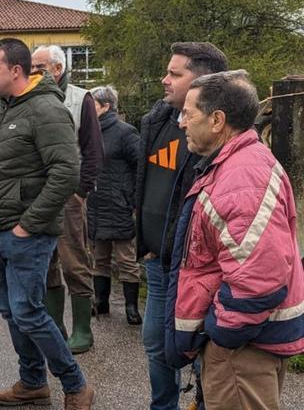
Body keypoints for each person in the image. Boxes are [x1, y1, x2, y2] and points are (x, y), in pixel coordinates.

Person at [167, 70, 304, 409]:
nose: (181, 122)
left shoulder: (241, 177)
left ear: (217, 120)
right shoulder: (235, 164)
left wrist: (221, 335)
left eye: (189, 113)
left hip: (242, 350)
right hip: (245, 345)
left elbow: (258, 279)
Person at [0, 38, 94, 409]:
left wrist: (28, 225)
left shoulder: (46, 109)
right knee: (10, 310)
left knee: (28, 311)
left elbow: (66, 171)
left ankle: (76, 385)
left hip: (26, 234)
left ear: (16, 70)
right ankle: (32, 382)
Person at [136, 42, 228, 410]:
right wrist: (142, 237)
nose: (165, 80)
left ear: (202, 82)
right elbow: (145, 184)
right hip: (157, 260)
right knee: (156, 342)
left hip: (198, 267)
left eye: (175, 74)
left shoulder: (220, 133)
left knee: (205, 346)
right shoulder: (156, 120)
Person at [33, 45, 104, 354]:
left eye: (38, 66)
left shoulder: (79, 98)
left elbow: (93, 151)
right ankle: (56, 327)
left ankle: (82, 332)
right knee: (46, 262)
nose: (32, 71)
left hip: (68, 195)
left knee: (74, 261)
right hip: (38, 195)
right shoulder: (31, 96)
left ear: (57, 69)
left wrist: (80, 191)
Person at [86, 86, 142, 325]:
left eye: (93, 105)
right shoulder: (88, 132)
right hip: (96, 204)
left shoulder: (125, 132)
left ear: (106, 106)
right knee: (100, 257)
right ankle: (102, 301)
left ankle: (131, 307)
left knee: (126, 259)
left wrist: (132, 197)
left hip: (119, 204)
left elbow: (141, 165)